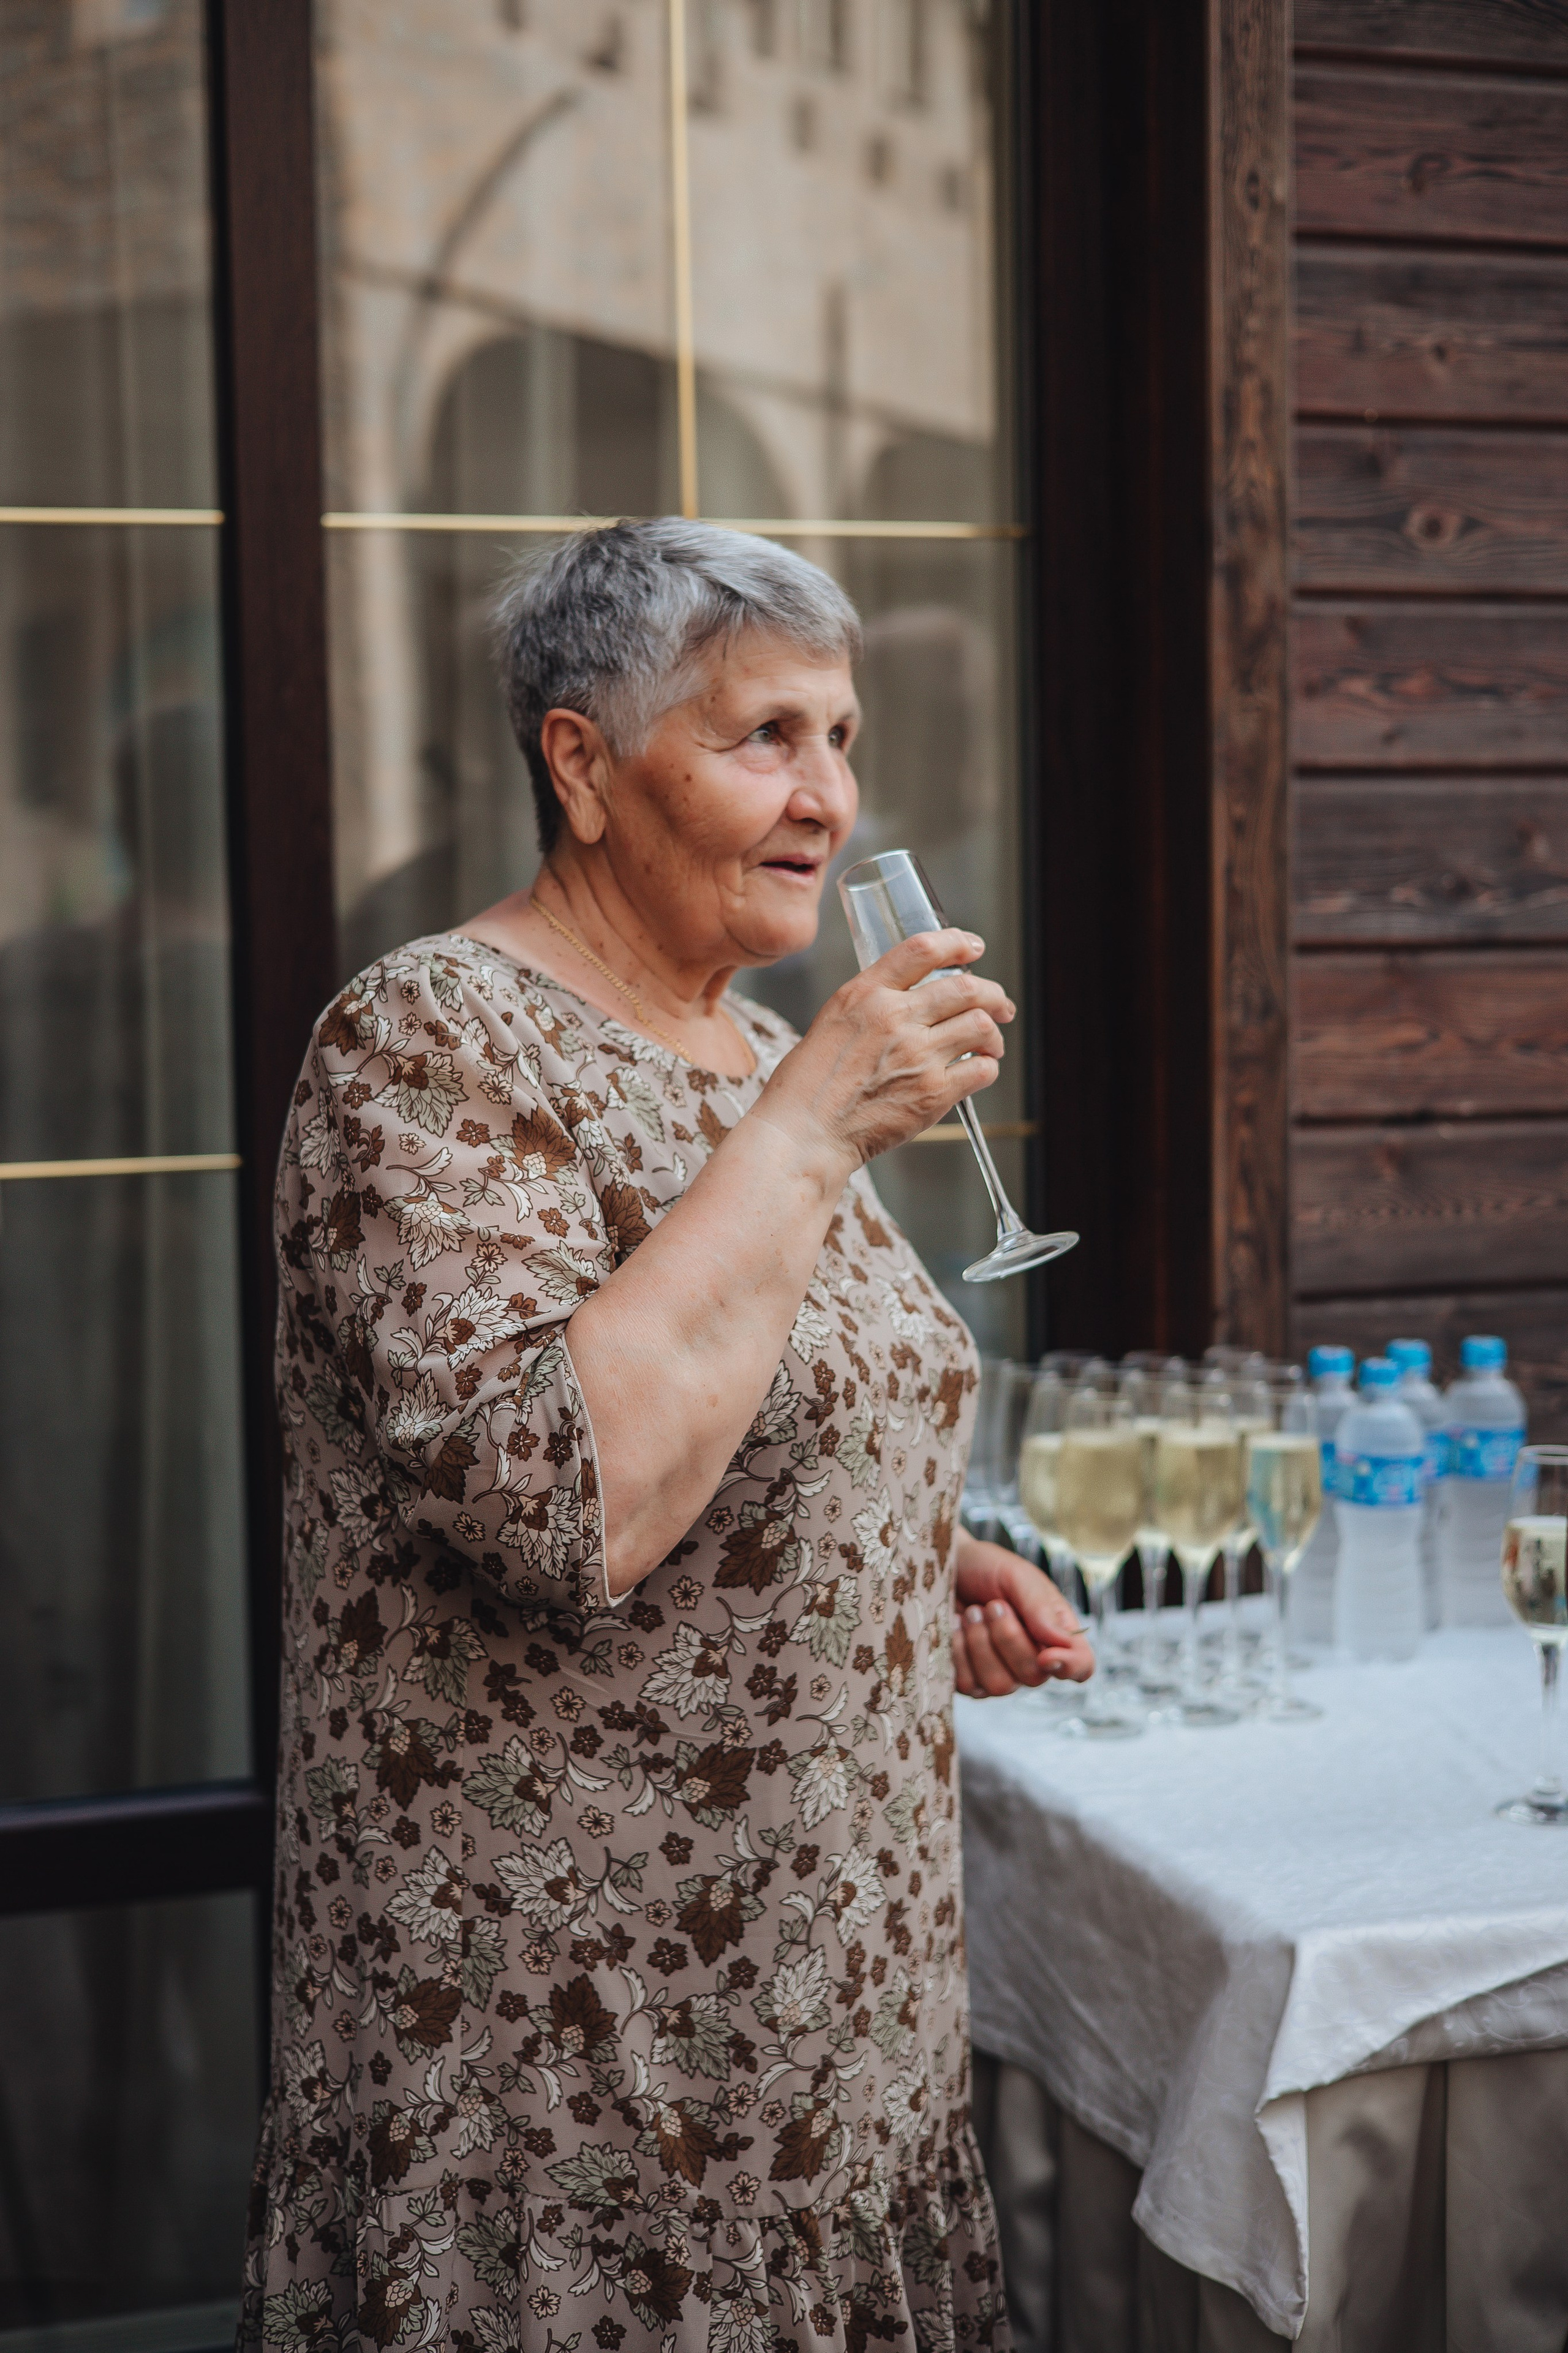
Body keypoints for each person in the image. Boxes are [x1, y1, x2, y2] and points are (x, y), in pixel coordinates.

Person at [239, 519, 1092, 2353]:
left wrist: (906, 1542)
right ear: (581, 763)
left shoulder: (750, 1040)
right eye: (764, 736)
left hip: (829, 2030)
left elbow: (757, 1395)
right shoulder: (433, 1039)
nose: (829, 798)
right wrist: (807, 1129)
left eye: (844, 738)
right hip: (581, 2075)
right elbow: (564, 1494)